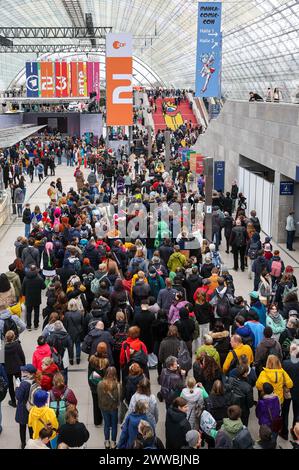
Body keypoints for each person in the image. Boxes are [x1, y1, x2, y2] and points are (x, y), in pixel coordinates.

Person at [98, 367, 121, 449]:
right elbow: (119, 398)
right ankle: (113, 443)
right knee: (114, 425)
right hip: (114, 408)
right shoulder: (117, 385)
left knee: (106, 424)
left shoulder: (100, 384)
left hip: (104, 408)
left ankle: (107, 442)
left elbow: (99, 397)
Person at [88, 342, 110, 426]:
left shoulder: (92, 359)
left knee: (95, 404)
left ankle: (97, 421)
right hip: (104, 386)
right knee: (105, 403)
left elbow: (90, 372)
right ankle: (107, 420)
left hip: (94, 385)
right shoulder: (106, 361)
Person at [15, 364, 37, 448]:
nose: (22, 372)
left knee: (22, 427)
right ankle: (32, 442)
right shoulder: (35, 381)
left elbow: (18, 396)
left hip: (23, 409)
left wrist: (17, 386)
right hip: (31, 408)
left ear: (31, 374)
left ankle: (23, 443)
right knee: (31, 427)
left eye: (25, 372)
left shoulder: (24, 384)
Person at [281, 342, 299, 440]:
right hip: (298, 392)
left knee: (285, 412)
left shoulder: (285, 363)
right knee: (297, 413)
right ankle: (295, 432)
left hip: (287, 391)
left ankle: (284, 432)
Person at [4, 330, 25, 408]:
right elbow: (22, 356)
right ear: (13, 337)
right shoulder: (17, 345)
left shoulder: (3, 347)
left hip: (8, 369)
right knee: (18, 383)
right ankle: (20, 400)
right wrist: (23, 365)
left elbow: (1, 361)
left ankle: (13, 401)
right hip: (17, 368)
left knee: (10, 385)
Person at [22, 264, 46, 331]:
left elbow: (23, 288)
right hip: (37, 298)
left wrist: (24, 295)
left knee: (28, 312)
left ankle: (29, 326)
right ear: (35, 270)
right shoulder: (39, 278)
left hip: (28, 298)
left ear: (30, 269)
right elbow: (44, 287)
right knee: (36, 312)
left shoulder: (25, 278)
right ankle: (36, 325)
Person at [64, 298, 83, 365]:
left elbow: (65, 324)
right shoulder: (80, 313)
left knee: (70, 346)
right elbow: (82, 322)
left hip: (70, 332)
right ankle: (78, 358)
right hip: (78, 331)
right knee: (78, 345)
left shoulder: (67, 314)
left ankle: (71, 359)